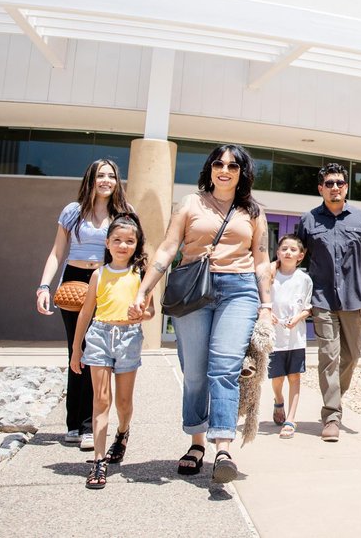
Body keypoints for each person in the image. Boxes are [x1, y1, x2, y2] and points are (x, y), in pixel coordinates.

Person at [130, 145, 271, 485]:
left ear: (242, 173)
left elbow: (262, 260)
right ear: (210, 169)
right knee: (194, 371)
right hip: (194, 289)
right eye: (219, 164)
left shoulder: (252, 211)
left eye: (233, 165)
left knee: (224, 366)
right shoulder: (191, 203)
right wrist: (144, 289)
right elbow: (166, 249)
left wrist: (266, 306)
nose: (225, 169)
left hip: (239, 291)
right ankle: (196, 442)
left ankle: (223, 447)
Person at [34, 159, 133, 452]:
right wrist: (43, 286)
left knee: (96, 353)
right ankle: (73, 424)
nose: (106, 180)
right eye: (100, 175)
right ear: (91, 179)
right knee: (75, 351)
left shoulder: (124, 213)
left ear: (117, 181)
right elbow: (56, 252)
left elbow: (134, 249)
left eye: (111, 176)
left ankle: (90, 425)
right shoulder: (72, 212)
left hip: (105, 282)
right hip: (73, 284)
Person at [296, 162, 361, 443]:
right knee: (329, 357)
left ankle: (334, 395)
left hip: (354, 298)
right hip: (321, 298)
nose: (335, 188)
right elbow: (295, 255)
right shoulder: (308, 220)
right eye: (330, 183)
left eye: (340, 183)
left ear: (346, 187)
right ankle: (331, 415)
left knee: (352, 356)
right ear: (321, 188)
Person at [70, 214, 154, 489]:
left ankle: (122, 432)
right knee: (101, 400)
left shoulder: (140, 275)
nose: (122, 245)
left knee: (123, 403)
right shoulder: (99, 274)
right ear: (107, 243)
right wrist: (75, 348)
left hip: (128, 338)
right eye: (117, 240)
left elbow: (151, 311)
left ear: (136, 244)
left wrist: (141, 312)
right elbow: (85, 312)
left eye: (129, 241)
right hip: (99, 336)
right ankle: (98, 460)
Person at [265, 233, 313, 440]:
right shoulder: (270, 275)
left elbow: (309, 307)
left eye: (293, 250)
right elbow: (262, 300)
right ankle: (278, 400)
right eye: (284, 248)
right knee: (277, 379)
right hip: (274, 338)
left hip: (296, 338)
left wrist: (298, 317)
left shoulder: (304, 279)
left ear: (300, 256)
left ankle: (291, 419)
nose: (288, 252)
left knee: (294, 377)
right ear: (277, 252)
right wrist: (269, 314)